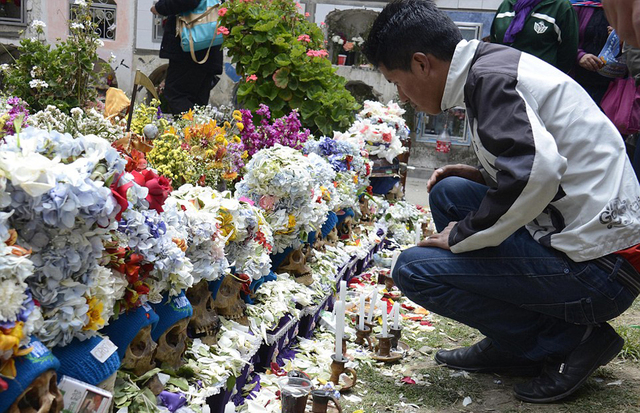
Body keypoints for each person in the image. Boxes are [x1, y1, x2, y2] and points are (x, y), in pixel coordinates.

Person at [363, 0, 640, 404]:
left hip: (601, 272)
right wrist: (480, 175)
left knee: (415, 270)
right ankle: (513, 342)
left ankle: (573, 340)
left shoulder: (491, 80)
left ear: (422, 63)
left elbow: (537, 173)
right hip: (593, 249)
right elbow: (544, 162)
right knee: (451, 192)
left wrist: (462, 234)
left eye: (397, 81)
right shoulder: (489, 66)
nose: (402, 96)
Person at [151, 0, 223, 115]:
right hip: (209, 45)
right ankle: (198, 130)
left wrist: (160, 7)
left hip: (190, 49)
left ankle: (191, 130)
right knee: (198, 103)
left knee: (176, 95)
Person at [491, 0, 579, 73]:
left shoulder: (561, 7)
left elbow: (568, 53)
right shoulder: (506, 5)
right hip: (503, 79)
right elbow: (494, 44)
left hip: (538, 85)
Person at [570, 1, 613, 106]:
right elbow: (563, 38)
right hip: (577, 80)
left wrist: (622, 36)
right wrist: (579, 56)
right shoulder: (575, 5)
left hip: (612, 86)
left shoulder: (623, 7)